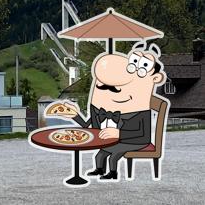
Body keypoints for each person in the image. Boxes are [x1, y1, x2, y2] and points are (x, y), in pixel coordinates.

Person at [55, 42, 167, 180]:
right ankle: (99, 170)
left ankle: (113, 173)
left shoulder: (141, 112)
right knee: (100, 153)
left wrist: (119, 133)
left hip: (137, 141)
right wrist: (74, 115)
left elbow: (142, 134)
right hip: (118, 138)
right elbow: (87, 126)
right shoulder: (103, 109)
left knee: (114, 154)